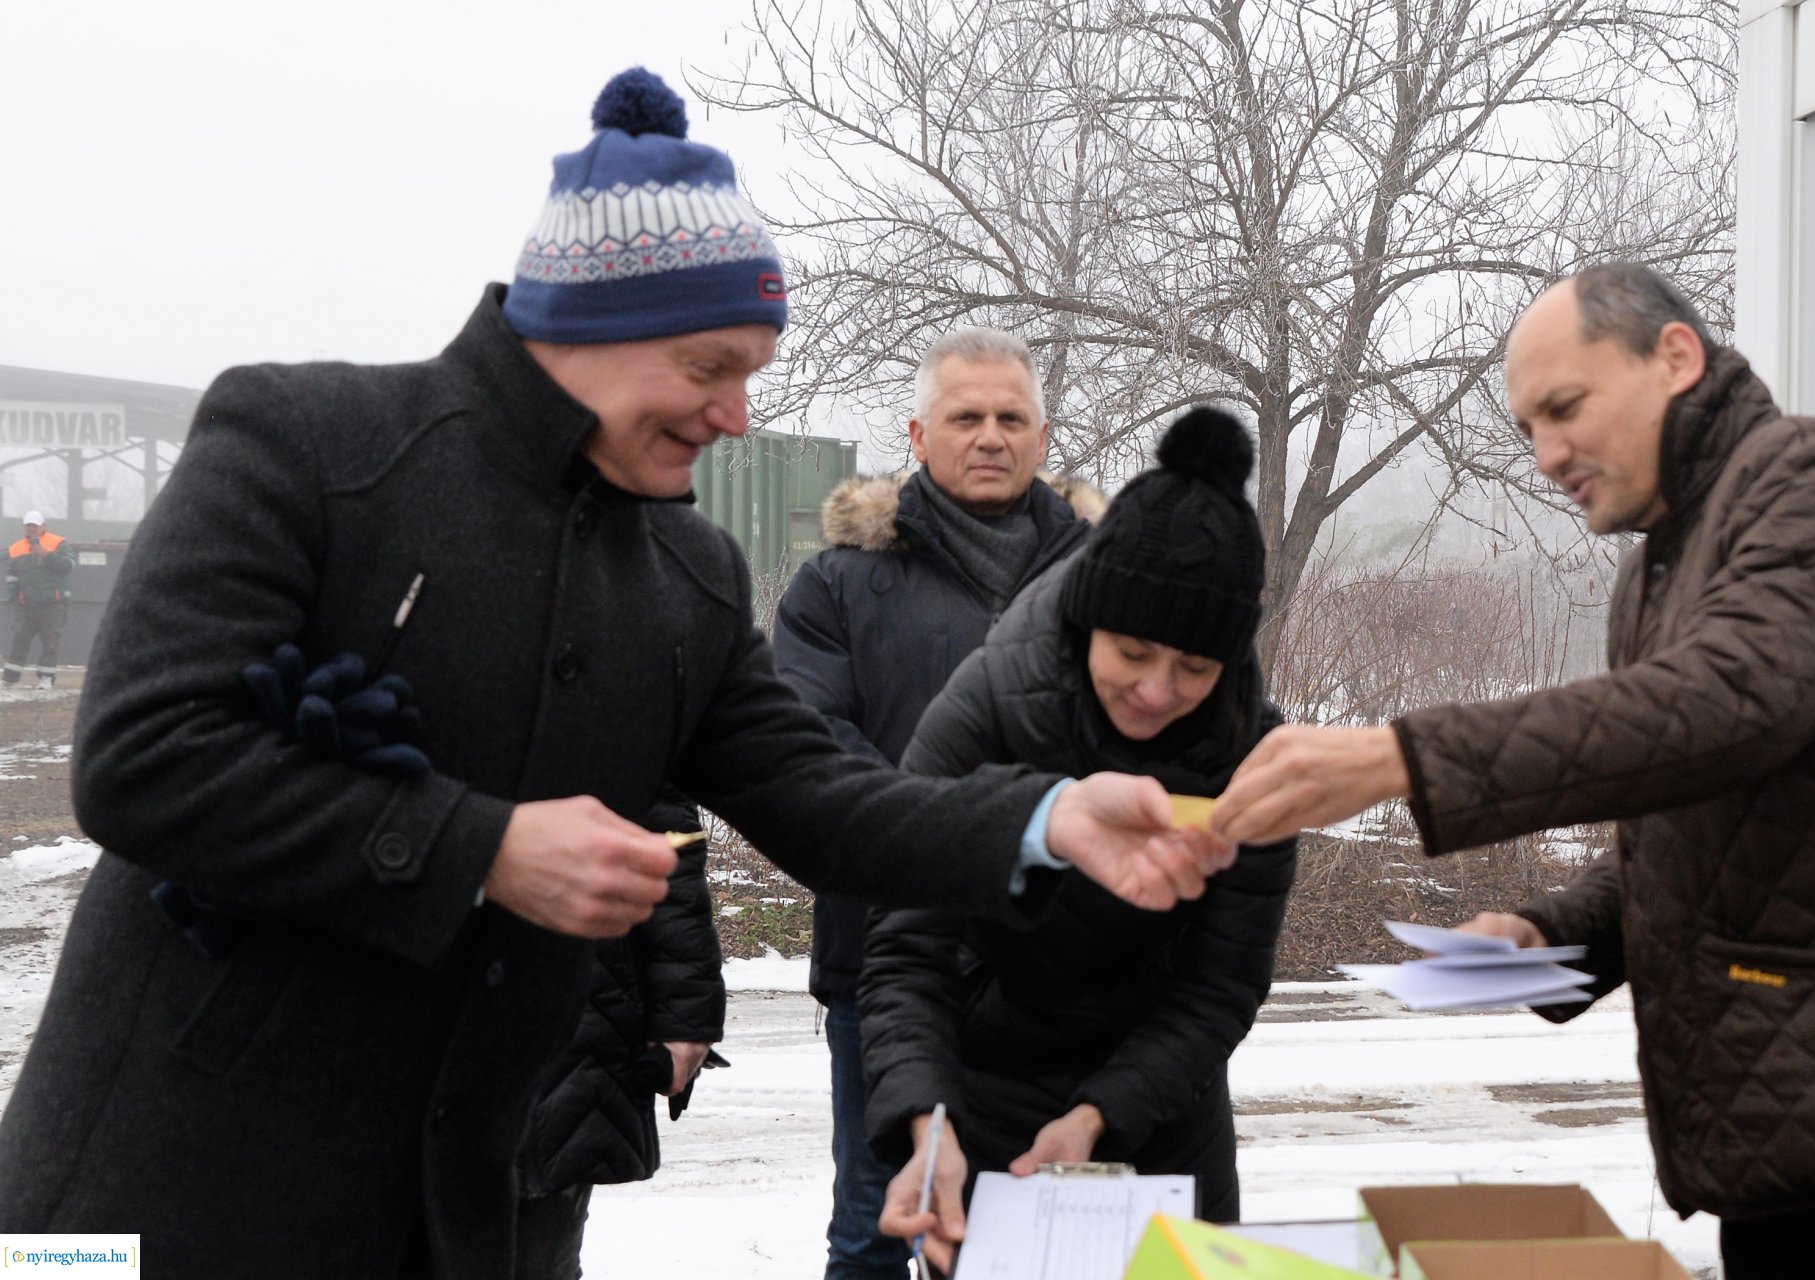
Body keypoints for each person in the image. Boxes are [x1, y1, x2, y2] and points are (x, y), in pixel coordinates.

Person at [0, 68, 1234, 1280]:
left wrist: (1045, 817)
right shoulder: (310, 447)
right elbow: (142, 755)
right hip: (166, 1180)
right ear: (587, 325)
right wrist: (481, 846)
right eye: (709, 367)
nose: (737, 415)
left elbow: (827, 797)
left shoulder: (687, 575)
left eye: (751, 373)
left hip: (462, 1198)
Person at [1212, 263, 1815, 1280]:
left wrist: (1403, 755)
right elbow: (1690, 816)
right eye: (1527, 427)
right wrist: (1550, 935)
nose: (1546, 455)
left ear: (1675, 356)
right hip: (1786, 1153)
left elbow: (1725, 706)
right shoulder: (1655, 570)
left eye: (1566, 407)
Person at [866, 408, 1299, 1273]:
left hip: (1162, 1114)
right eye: (1131, 653)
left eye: (1195, 669)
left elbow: (1221, 985)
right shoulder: (983, 710)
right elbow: (906, 950)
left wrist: (1102, 1114)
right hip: (981, 1094)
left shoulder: (1257, 757)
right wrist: (929, 1123)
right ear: (1088, 618)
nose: (1157, 690)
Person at [772, 326, 1102, 1280]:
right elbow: (811, 747)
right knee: (878, 1224)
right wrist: (962, 836)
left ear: (1042, 437)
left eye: (1011, 418)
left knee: (1046, 1235)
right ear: (919, 436)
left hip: (1066, 961)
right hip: (886, 955)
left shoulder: (1106, 579)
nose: (990, 436)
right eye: (965, 417)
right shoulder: (837, 584)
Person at [514, 787, 723, 1280]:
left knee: (539, 1256)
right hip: (410, 998)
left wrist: (685, 1019)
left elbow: (670, 856)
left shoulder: (617, 738)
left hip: (575, 1006)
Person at [4, 509, 75, 690]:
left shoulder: (58, 543)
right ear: (24, 527)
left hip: (53, 605)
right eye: (29, 525)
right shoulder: (16, 548)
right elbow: (12, 576)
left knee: (51, 642)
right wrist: (15, 597)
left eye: (35, 525)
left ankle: (46, 678)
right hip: (26, 605)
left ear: (43, 526)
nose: (32, 529)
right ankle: (10, 679)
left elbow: (68, 566)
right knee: (19, 640)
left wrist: (47, 554)